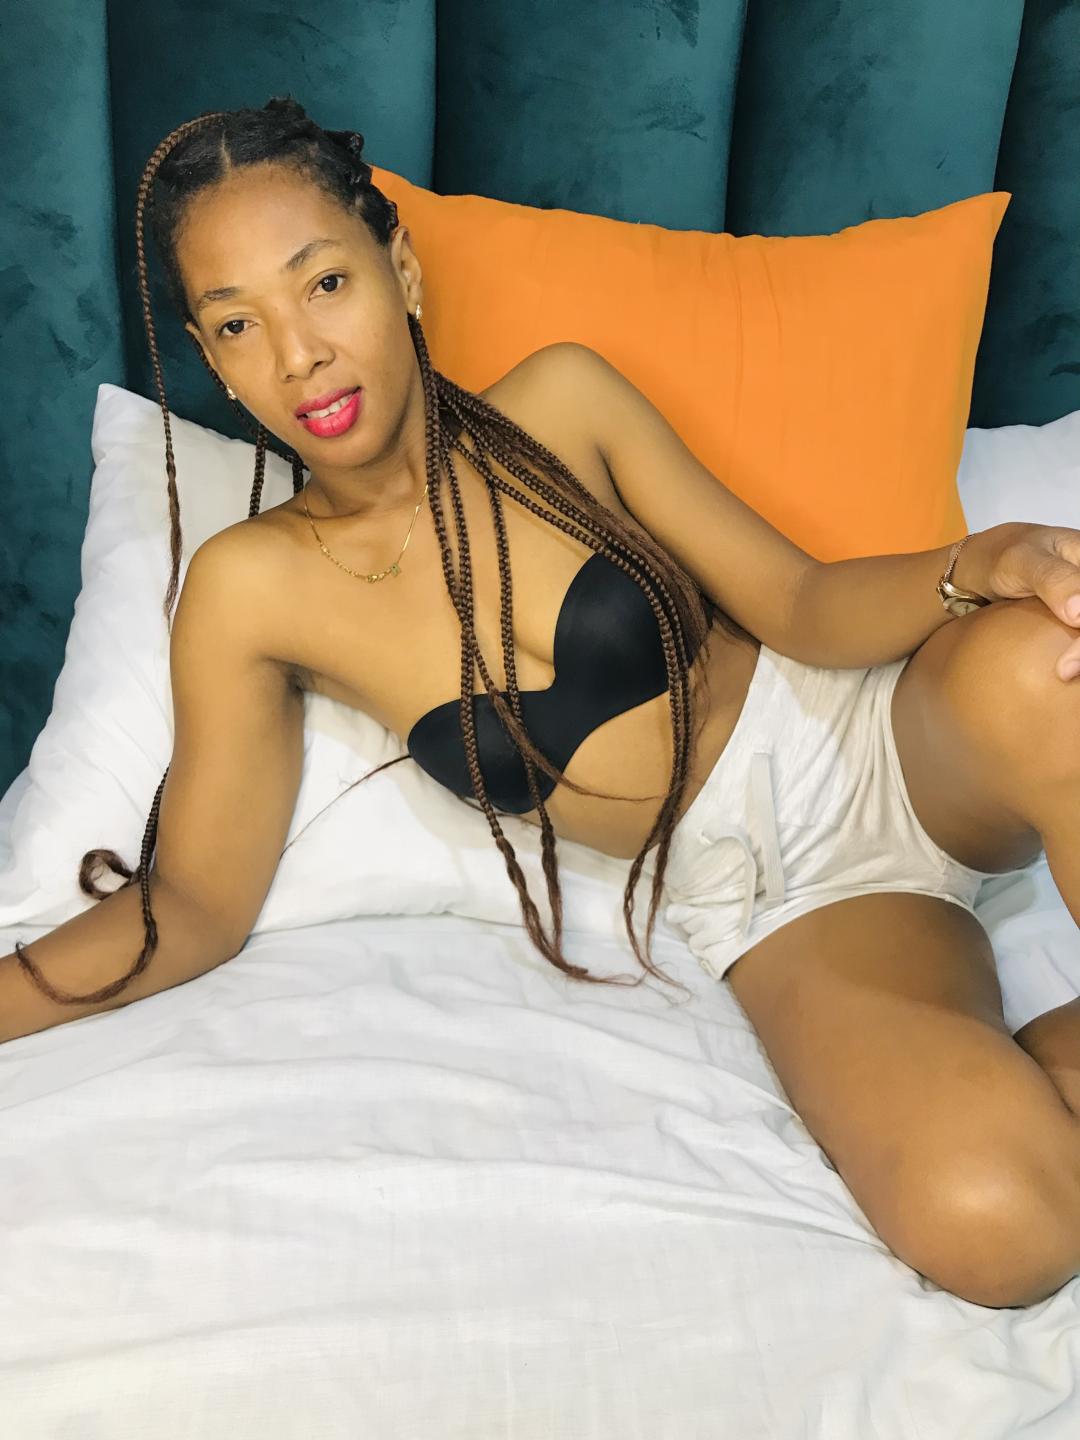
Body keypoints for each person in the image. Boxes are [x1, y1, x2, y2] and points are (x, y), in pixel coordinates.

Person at [6, 95, 1080, 1311]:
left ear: (401, 270)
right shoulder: (250, 590)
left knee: (1045, 664)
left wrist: (974, 563)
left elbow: (799, 598)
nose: (298, 355)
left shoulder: (564, 405)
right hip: (783, 901)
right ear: (212, 359)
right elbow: (196, 902)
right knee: (1000, 1227)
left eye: (325, 285)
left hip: (884, 738)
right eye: (239, 324)